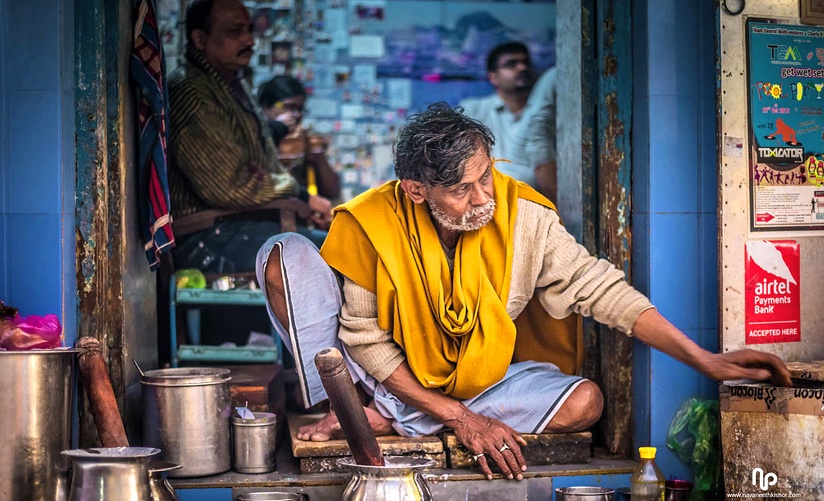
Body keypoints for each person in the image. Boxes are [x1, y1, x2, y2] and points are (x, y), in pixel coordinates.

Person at [254, 103, 791, 481]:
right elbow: (364, 339)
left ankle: (401, 416)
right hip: (381, 377)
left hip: (475, 382)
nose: (483, 196)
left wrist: (705, 359)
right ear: (416, 190)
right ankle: (362, 406)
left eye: (485, 175)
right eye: (461, 189)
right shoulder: (372, 221)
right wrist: (463, 422)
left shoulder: (521, 215)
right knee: (282, 255)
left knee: (587, 402)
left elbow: (598, 287)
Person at [167, 0, 333, 274]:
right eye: (235, 32)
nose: (249, 40)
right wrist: (301, 195)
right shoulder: (193, 93)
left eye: (249, 30)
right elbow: (233, 186)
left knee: (346, 249)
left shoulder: (232, 84)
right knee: (338, 258)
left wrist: (303, 202)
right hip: (205, 237)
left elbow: (259, 163)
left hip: (238, 226)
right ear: (199, 38)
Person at [459, 42, 558, 199]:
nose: (522, 68)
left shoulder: (546, 113)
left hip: (537, 201)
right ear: (493, 77)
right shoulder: (473, 110)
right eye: (511, 64)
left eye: (525, 63)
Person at [258, 75, 341, 202]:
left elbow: (332, 191)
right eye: (288, 107)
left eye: (300, 109)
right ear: (266, 108)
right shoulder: (256, 138)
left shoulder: (306, 140)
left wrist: (318, 158)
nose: (296, 115)